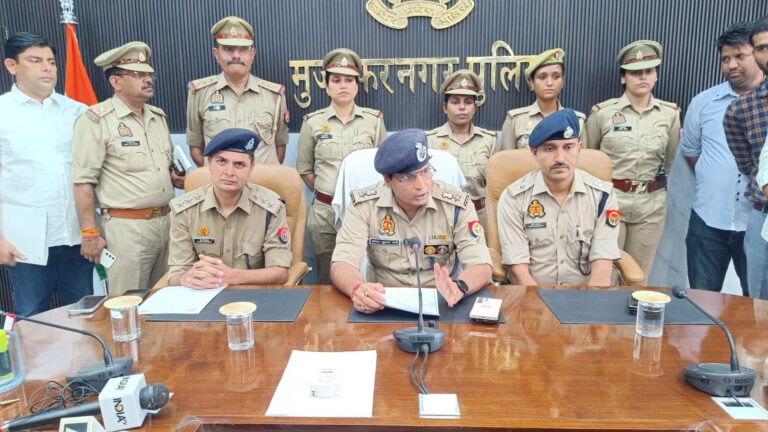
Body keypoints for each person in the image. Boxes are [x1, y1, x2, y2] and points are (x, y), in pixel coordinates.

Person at [330, 129, 492, 314]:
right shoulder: (364, 206)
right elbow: (343, 262)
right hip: (382, 302)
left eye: (425, 172)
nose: (421, 185)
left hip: (443, 301)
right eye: (408, 177)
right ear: (387, 180)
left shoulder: (457, 206)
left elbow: (481, 264)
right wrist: (357, 289)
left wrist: (459, 287)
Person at [72, 41, 185, 294]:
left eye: (148, 74)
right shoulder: (96, 120)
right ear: (116, 82)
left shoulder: (158, 117)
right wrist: (90, 233)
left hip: (166, 223)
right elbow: (83, 181)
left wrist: (178, 179)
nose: (147, 79)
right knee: (127, 305)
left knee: (166, 299)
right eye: (137, 74)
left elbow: (166, 170)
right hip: (126, 230)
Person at [0, 32, 93, 315]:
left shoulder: (78, 111)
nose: (47, 68)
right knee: (32, 318)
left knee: (81, 317)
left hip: (77, 237)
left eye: (51, 62)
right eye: (35, 60)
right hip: (25, 243)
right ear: (11, 65)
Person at [585, 40, 680, 277]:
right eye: (635, 73)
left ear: (656, 75)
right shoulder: (603, 114)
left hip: (650, 204)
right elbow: (588, 159)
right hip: (611, 200)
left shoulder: (669, 115)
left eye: (649, 71)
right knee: (606, 271)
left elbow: (670, 160)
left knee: (638, 275)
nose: (643, 77)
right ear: (623, 78)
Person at [681, 22, 763, 295]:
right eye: (725, 59)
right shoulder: (704, 103)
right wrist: (717, 177)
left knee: (758, 306)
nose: (731, 65)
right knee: (702, 300)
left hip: (756, 222)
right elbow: (692, 152)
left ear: (759, 55)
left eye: (740, 56)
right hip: (707, 219)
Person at [497, 109, 620, 286]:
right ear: (534, 153)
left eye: (568, 147)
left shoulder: (602, 196)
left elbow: (602, 264)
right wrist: (540, 307)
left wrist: (590, 308)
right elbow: (518, 270)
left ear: (579, 148)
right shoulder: (514, 198)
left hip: (585, 296)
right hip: (532, 297)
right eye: (549, 149)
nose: (560, 158)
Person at [297, 48, 386, 284]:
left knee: (367, 270)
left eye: (349, 80)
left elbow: (385, 168)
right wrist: (332, 193)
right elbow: (305, 169)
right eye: (336, 80)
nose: (343, 86)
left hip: (366, 210)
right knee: (327, 274)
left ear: (357, 86)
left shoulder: (374, 121)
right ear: (326, 86)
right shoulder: (312, 122)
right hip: (325, 213)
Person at [168, 128, 292, 288]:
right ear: (210, 163)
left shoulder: (271, 208)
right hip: (203, 296)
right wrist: (186, 278)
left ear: (251, 168)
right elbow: (176, 274)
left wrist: (233, 276)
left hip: (254, 295)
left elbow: (279, 272)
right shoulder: (184, 210)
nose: (229, 172)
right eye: (221, 161)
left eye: (239, 164)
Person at [186, 16, 289, 166]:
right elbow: (196, 148)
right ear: (216, 53)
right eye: (228, 49)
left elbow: (280, 147)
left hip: (262, 185)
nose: (236, 55)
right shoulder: (199, 93)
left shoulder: (274, 95)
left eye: (243, 49)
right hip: (219, 186)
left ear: (252, 54)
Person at [724, 15, 768, 300]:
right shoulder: (741, 110)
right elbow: (748, 166)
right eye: (762, 47)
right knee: (760, 306)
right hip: (763, 215)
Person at [426, 69, 496, 226]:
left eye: (468, 102)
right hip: (441, 216)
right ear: (445, 107)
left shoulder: (488, 141)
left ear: (475, 107)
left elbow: (495, 187)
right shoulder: (430, 141)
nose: (462, 107)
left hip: (479, 217)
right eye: (455, 102)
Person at [499, 48, 586, 151]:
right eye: (542, 77)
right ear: (532, 82)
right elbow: (506, 163)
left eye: (556, 76)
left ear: (562, 81)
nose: (549, 83)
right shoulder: (515, 120)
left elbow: (582, 162)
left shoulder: (577, 120)